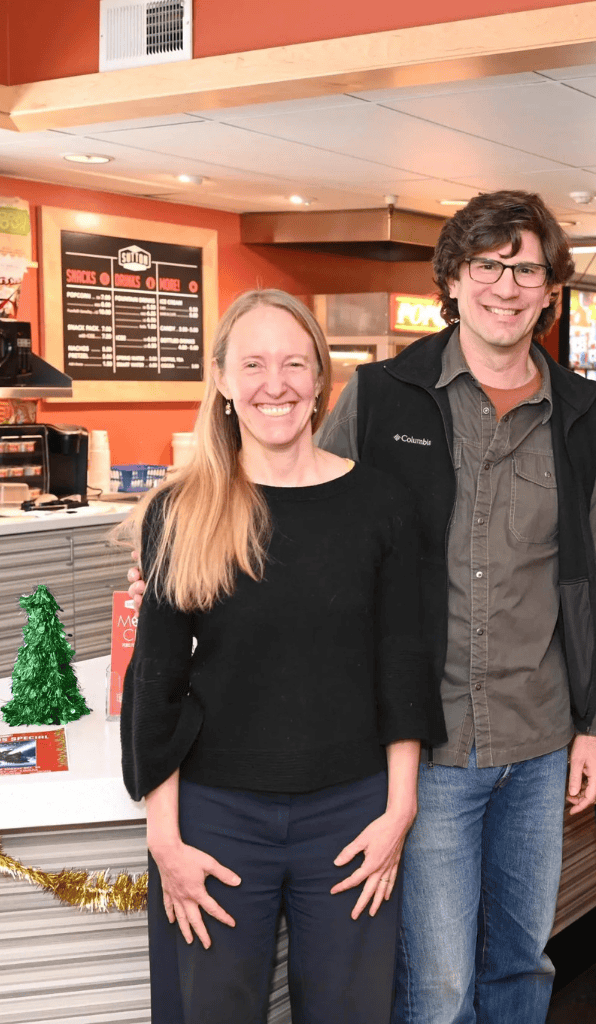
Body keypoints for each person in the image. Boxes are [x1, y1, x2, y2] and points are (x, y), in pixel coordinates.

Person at [118, 288, 446, 1024]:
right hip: (214, 818)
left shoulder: (380, 503)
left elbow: (403, 660)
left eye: (296, 363)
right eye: (255, 363)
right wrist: (164, 837)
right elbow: (157, 680)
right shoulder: (184, 509)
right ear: (225, 382)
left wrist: (400, 808)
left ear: (321, 379)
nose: (277, 383)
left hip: (353, 815)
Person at [316, 190, 596, 1024]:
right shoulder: (379, 397)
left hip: (542, 744)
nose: (507, 287)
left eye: (528, 269)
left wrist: (593, 723)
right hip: (424, 748)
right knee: (436, 986)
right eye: (488, 266)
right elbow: (310, 532)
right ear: (452, 277)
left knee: (521, 964)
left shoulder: (584, 414)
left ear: (552, 288)